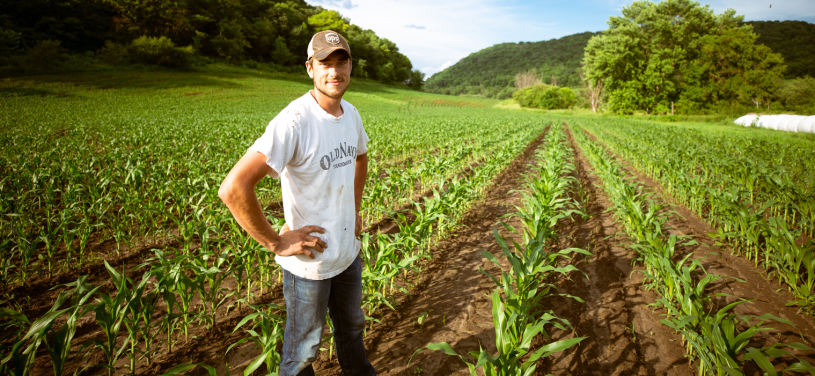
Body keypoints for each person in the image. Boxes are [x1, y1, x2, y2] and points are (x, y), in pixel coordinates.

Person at [218, 30, 375, 376]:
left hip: (347, 253)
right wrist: (275, 241)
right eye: (325, 64)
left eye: (341, 62)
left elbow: (361, 158)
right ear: (310, 68)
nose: (334, 72)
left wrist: (355, 207)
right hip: (311, 263)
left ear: (351, 66)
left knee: (352, 331)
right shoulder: (295, 121)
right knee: (303, 352)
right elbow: (233, 188)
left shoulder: (351, 115)